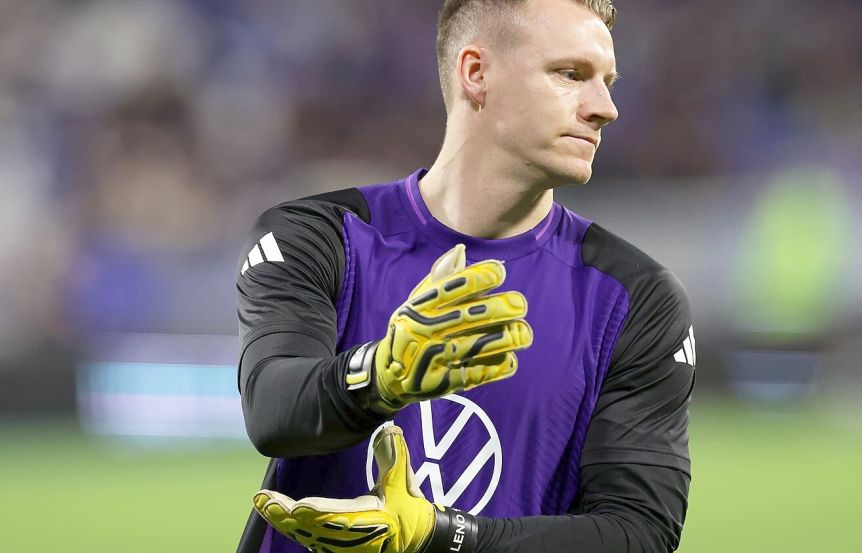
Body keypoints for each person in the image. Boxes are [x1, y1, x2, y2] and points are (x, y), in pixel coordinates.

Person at [235, 1, 696, 552]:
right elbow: (272, 410)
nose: (605, 108)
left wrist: (441, 537)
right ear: (476, 74)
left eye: (608, 81)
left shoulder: (635, 299)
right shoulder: (320, 237)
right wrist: (379, 375)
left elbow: (639, 533)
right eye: (570, 75)